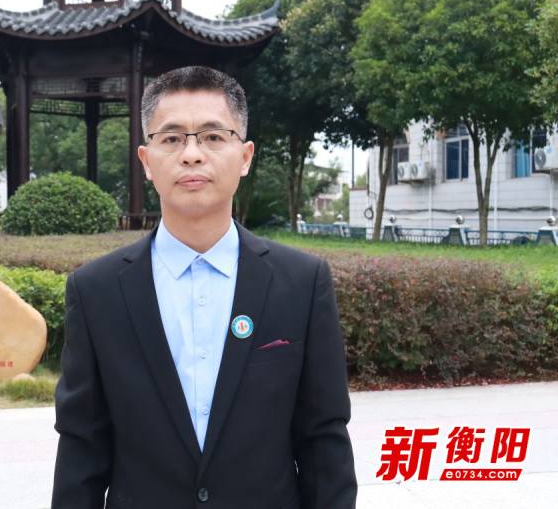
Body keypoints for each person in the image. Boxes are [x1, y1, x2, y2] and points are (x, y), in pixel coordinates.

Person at [51, 66, 357, 509]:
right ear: (146, 161)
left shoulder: (302, 282)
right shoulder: (96, 290)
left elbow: (323, 439)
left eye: (213, 137)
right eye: (172, 138)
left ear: (245, 156)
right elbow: (81, 447)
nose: (192, 154)